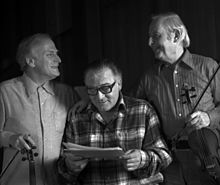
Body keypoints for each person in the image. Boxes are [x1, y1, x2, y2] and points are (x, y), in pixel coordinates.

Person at [134, 12, 220, 185]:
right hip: (170, 164)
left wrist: (208, 117)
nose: (149, 43)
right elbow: (135, 114)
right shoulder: (148, 78)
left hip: (206, 159)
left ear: (177, 35)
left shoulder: (208, 67)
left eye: (156, 36)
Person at [57, 58, 172, 185]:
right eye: (92, 90)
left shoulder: (143, 111)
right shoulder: (76, 118)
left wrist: (142, 159)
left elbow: (165, 157)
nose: (99, 97)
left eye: (105, 88)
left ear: (119, 84)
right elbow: (62, 168)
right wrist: (70, 166)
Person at [0, 33, 79, 185]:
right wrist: (10, 138)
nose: (59, 60)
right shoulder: (4, 92)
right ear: (31, 61)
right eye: (50, 54)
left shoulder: (67, 94)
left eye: (57, 54)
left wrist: (87, 104)